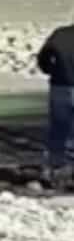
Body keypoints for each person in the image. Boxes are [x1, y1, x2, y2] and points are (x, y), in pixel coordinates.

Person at [35, 16, 74, 180]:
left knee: (58, 128)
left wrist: (51, 71)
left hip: (60, 86)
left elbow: (43, 57)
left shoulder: (60, 34)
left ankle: (53, 167)